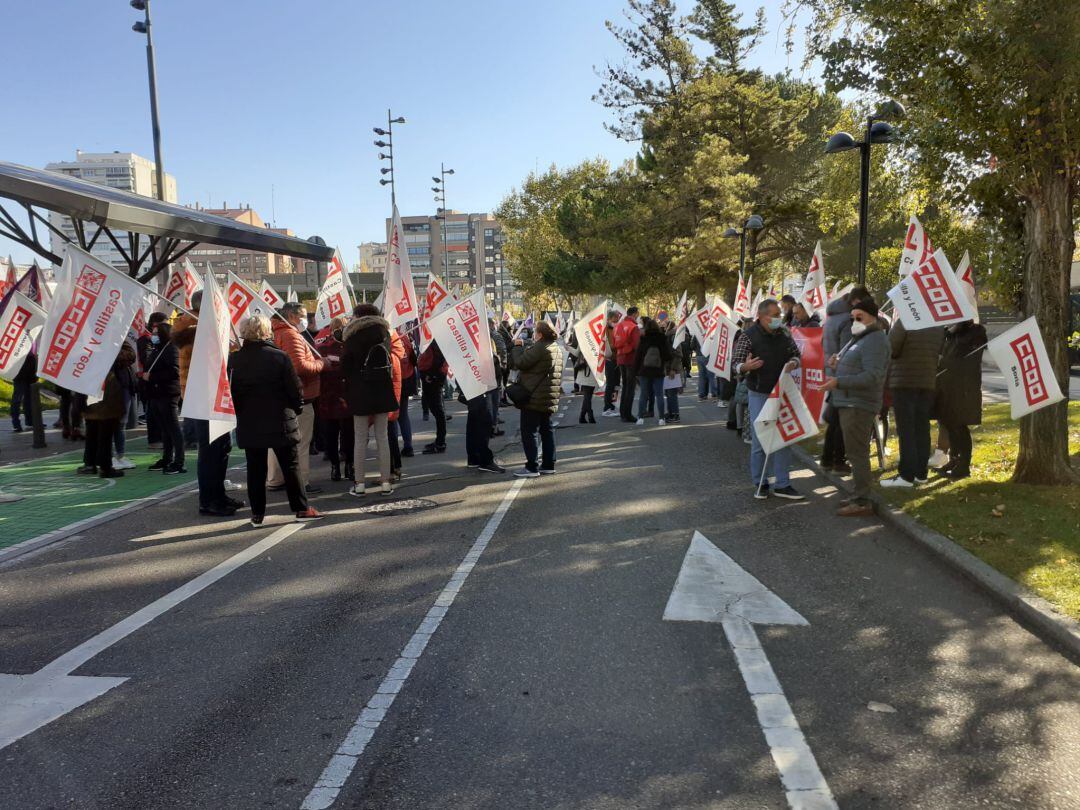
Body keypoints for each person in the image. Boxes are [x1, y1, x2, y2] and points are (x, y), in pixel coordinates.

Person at [229, 315, 321, 525]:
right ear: (266, 331)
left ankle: (257, 514)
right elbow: (294, 389)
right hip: (280, 418)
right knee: (291, 465)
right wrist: (296, 408)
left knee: (255, 469)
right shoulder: (279, 357)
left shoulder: (235, 360)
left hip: (249, 420)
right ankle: (301, 508)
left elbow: (232, 392)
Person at [817, 299, 890, 517]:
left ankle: (862, 500)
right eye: (853, 318)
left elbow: (873, 376)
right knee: (854, 452)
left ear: (873, 317)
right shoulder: (861, 338)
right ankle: (858, 494)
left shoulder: (875, 340)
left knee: (858, 454)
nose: (855, 321)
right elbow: (855, 366)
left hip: (859, 404)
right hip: (849, 401)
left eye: (860, 317)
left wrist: (840, 382)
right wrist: (836, 365)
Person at [731, 299, 805, 500]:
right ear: (762, 317)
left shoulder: (784, 334)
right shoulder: (748, 336)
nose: (778, 318)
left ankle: (783, 484)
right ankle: (760, 482)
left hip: (782, 392)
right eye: (774, 315)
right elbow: (735, 363)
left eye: (779, 315)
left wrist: (793, 362)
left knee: (783, 439)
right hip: (759, 393)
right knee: (760, 440)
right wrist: (745, 368)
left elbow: (797, 355)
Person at [174, 292, 237, 516]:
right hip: (202, 396)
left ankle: (219, 494)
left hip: (217, 394)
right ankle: (208, 500)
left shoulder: (209, 327)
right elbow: (177, 332)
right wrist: (197, 315)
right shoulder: (191, 330)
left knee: (223, 446)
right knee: (210, 450)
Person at [342, 304, 401, 496]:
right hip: (382, 389)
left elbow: (345, 366)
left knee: (360, 439)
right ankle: (385, 482)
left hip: (360, 391)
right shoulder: (384, 333)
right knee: (382, 437)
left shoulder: (351, 336)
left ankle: (359, 484)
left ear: (358, 316)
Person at [267, 302, 326, 493]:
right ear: (291, 317)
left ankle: (276, 478)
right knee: (300, 441)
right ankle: (301, 481)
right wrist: (321, 364)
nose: (305, 321)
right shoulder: (291, 334)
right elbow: (299, 367)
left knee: (277, 440)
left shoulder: (273, 332)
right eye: (302, 316)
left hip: (278, 395)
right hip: (300, 395)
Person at [881, 318, 945, 488]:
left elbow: (891, 348)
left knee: (906, 429)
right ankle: (921, 473)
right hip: (927, 380)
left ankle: (906, 475)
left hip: (904, 380)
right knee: (922, 427)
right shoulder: (937, 324)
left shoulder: (905, 320)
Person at [821, 287, 870, 473]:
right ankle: (838, 461)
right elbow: (848, 352)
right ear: (856, 301)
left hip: (833, 371)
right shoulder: (847, 321)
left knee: (835, 418)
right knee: (843, 421)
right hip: (844, 374)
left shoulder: (832, 317)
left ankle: (827, 459)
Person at [933, 319, 988, 479]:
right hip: (947, 385)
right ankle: (954, 460)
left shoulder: (976, 332)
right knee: (949, 423)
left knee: (960, 426)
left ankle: (964, 465)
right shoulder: (950, 333)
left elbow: (962, 356)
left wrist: (954, 333)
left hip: (964, 387)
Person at [511, 321, 564, 477]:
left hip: (534, 397)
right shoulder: (555, 347)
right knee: (547, 430)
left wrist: (518, 347)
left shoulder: (541, 347)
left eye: (535, 331)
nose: (533, 334)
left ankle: (531, 467)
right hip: (548, 396)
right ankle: (548, 464)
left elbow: (521, 363)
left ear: (540, 334)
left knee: (529, 431)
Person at [77, 343, 135, 479]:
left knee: (97, 430)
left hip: (95, 389)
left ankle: (91, 464)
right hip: (104, 392)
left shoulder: (88, 338)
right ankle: (103, 466)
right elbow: (129, 357)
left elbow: (129, 357)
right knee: (101, 432)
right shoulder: (114, 337)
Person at [316, 315, 353, 483]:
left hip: (326, 396)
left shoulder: (320, 348)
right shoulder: (350, 348)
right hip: (346, 397)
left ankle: (335, 468)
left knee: (331, 435)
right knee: (348, 434)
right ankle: (350, 466)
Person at [145, 321, 185, 474]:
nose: (153, 335)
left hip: (167, 393)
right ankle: (167, 458)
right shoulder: (158, 349)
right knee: (164, 428)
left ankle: (179, 461)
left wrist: (153, 377)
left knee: (173, 428)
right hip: (156, 394)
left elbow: (174, 372)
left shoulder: (171, 349)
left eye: (156, 333)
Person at [137, 311, 168, 449]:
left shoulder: (160, 339)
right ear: (156, 324)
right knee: (152, 411)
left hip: (157, 380)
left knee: (158, 411)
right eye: (165, 324)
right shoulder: (146, 339)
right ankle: (155, 439)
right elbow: (146, 359)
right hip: (148, 380)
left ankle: (160, 437)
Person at [172, 300, 200, 450]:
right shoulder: (198, 326)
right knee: (196, 410)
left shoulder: (183, 322)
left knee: (190, 409)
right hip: (197, 373)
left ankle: (190, 438)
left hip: (186, 374)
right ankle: (193, 438)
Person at [635, 317, 671, 426]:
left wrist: (635, 371)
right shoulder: (662, 338)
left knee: (643, 395)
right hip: (658, 371)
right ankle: (661, 419)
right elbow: (667, 355)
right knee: (659, 395)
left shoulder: (643, 339)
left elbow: (638, 356)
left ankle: (640, 418)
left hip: (644, 370)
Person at [418, 340, 449, 453]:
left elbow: (438, 358)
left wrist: (431, 375)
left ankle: (440, 443)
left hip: (433, 376)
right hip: (432, 375)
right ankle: (439, 441)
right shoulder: (433, 337)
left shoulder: (436, 338)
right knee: (436, 409)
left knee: (437, 410)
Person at [613, 306, 641, 423]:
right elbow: (637, 346)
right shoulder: (633, 327)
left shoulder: (618, 326)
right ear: (635, 314)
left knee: (625, 386)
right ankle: (628, 414)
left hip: (620, 358)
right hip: (630, 358)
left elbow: (614, 343)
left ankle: (623, 413)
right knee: (630, 387)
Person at [567, 332, 597, 423]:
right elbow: (608, 353)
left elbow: (576, 353)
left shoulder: (584, 338)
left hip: (583, 369)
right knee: (589, 393)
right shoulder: (599, 338)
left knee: (587, 394)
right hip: (594, 368)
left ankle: (583, 416)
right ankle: (588, 416)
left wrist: (568, 347)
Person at [10, 349, 36, 433]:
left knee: (30, 397)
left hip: (31, 360)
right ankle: (16, 424)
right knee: (18, 397)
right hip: (19, 362)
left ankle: (30, 421)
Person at [601, 310, 621, 416]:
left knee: (616, 385)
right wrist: (619, 344)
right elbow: (609, 345)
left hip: (618, 359)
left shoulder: (616, 328)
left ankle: (613, 405)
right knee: (610, 384)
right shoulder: (605, 330)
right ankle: (607, 407)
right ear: (609, 319)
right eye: (615, 319)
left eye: (618, 318)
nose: (617, 320)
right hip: (609, 359)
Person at [663, 321, 683, 423]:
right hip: (668, 368)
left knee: (672, 393)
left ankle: (675, 414)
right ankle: (670, 413)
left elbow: (678, 354)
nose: (662, 325)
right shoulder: (668, 335)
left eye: (663, 324)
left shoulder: (673, 336)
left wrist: (673, 369)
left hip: (672, 369)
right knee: (668, 392)